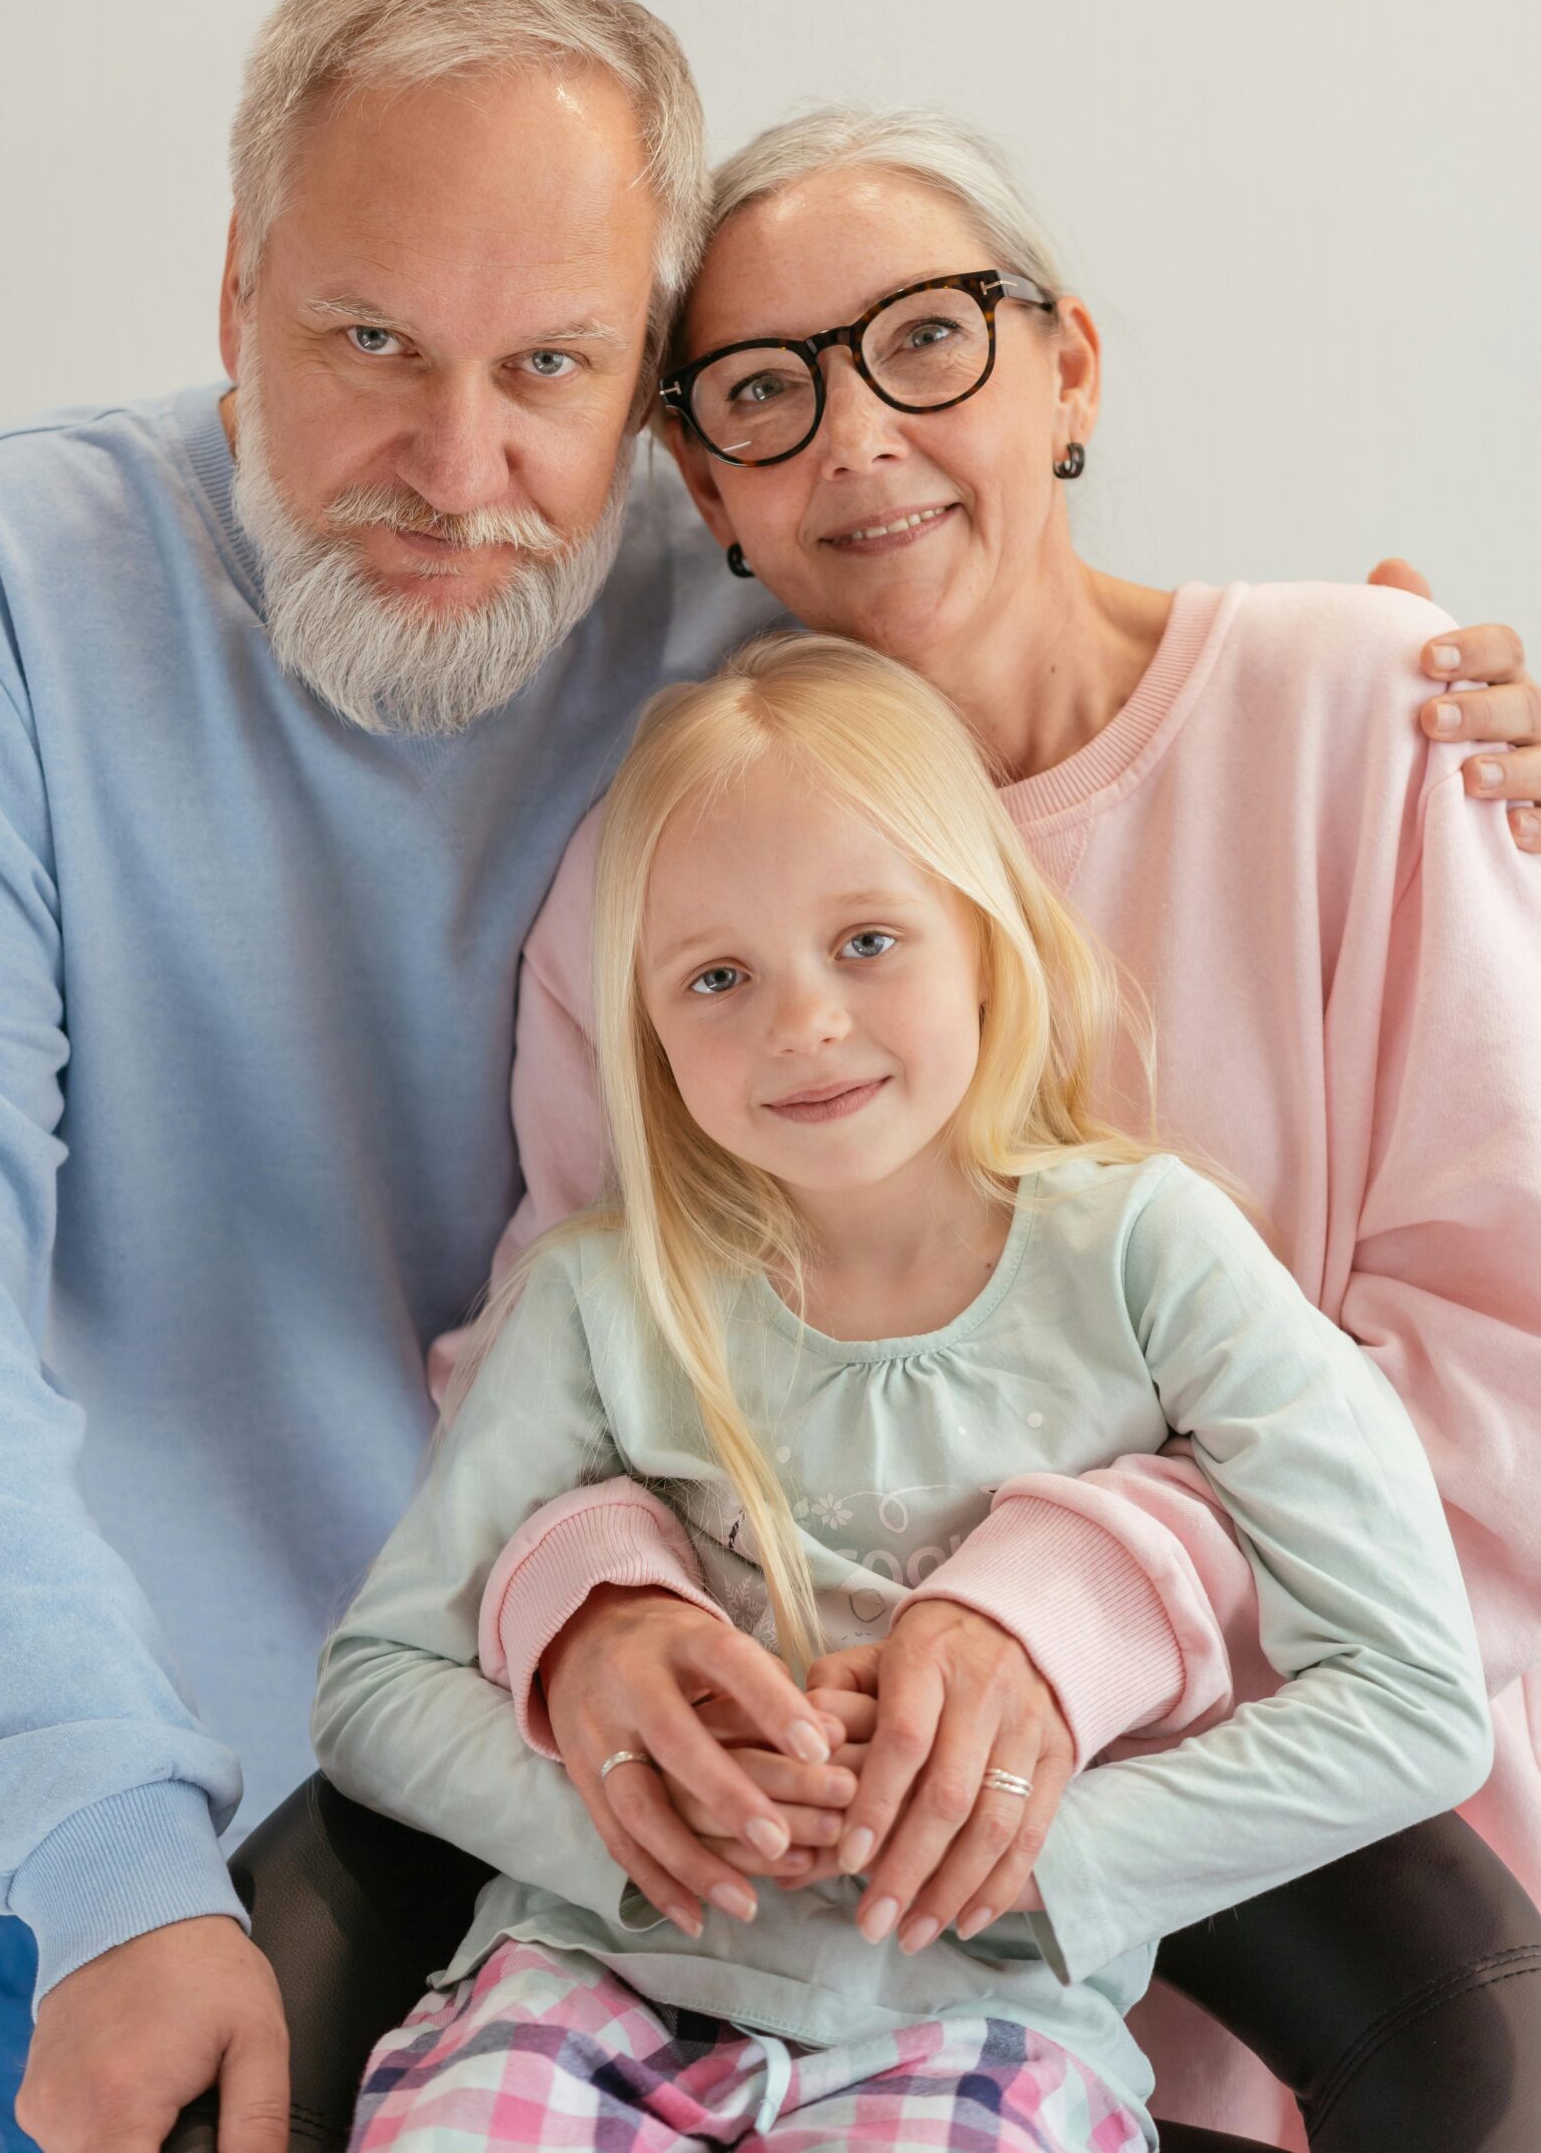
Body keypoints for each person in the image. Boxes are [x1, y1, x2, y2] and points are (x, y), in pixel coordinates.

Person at [0, 0, 1530, 2153]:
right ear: (235, 284)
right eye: (367, 339)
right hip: (239, 1863)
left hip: (965, 1893)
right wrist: (119, 1842)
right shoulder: (1, 597)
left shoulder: (784, 644)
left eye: (548, 361)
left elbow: (1052, 744)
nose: (460, 463)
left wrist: (1430, 710)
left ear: (635, 384)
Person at [466, 107, 1541, 2149]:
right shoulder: (648, 877)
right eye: (765, 393)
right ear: (703, 484)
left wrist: (1058, 1608)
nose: (854, 433)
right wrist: (604, 1605)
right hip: (819, 1965)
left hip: (1357, 1952)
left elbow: (1508, 1388)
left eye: (927, 340)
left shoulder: (1370, 715)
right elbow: (564, 1365)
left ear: (1071, 368)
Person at [313, 631, 1491, 2153]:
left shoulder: (1152, 1253)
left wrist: (1042, 1849)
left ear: (989, 943)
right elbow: (375, 1686)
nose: (801, 1024)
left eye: (868, 941)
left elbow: (1411, 1701)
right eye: (718, 977)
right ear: (652, 1039)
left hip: (983, 2027)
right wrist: (624, 1822)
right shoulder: (602, 1302)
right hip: (579, 1992)